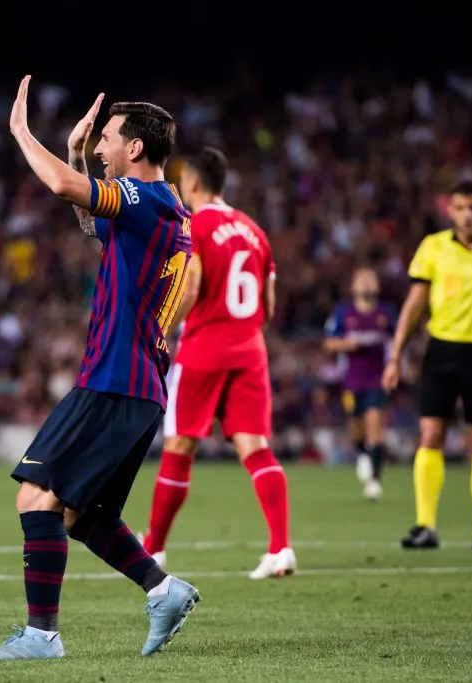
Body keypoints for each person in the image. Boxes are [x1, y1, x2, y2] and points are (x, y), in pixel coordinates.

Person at [0, 80, 198, 663]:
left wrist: (22, 132)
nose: (98, 146)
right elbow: (90, 221)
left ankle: (41, 638)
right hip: (136, 385)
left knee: (35, 499)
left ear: (136, 151)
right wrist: (74, 155)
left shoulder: (146, 201)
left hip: (114, 379)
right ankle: (164, 590)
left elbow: (61, 186)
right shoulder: (163, 209)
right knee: (83, 515)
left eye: (106, 139)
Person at [140, 147, 294, 580]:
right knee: (255, 448)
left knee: (179, 446)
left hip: (205, 347)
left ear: (191, 181)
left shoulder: (196, 224)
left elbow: (191, 285)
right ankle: (280, 547)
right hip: (250, 349)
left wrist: (164, 325)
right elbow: (268, 304)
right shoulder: (253, 230)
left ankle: (153, 548)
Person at [383, 179, 472, 551]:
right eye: (460, 208)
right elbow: (414, 306)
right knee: (431, 434)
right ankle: (425, 525)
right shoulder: (433, 248)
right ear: (451, 211)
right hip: (442, 351)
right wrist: (396, 355)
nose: (467, 215)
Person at [323, 268, 396, 500]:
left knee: (375, 426)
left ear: (377, 286)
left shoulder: (386, 312)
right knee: (356, 426)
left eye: (370, 279)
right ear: (353, 287)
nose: (365, 283)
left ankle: (375, 480)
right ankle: (361, 453)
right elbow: (329, 343)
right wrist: (349, 345)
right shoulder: (344, 313)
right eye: (361, 280)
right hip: (352, 380)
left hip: (378, 377)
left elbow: (399, 337)